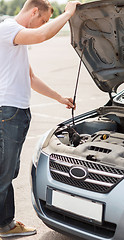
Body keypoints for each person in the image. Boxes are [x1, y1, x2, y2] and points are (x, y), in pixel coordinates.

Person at [0, 0, 80, 238]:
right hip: (8, 113)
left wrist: (59, 98)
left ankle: (5, 224)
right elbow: (43, 35)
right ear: (34, 11)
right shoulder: (8, 29)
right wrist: (68, 14)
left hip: (16, 113)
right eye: (43, 19)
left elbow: (31, 77)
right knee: (3, 175)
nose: (43, 24)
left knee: (7, 173)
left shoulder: (14, 39)